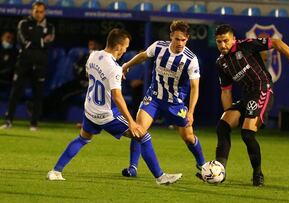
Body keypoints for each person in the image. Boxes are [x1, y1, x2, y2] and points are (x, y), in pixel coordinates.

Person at [46, 28, 182, 185]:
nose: (125, 50)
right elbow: (117, 97)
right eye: (125, 47)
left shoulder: (93, 56)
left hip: (90, 110)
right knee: (143, 136)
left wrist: (109, 79)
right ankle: (160, 177)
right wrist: (131, 122)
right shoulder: (114, 68)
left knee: (83, 138)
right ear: (118, 46)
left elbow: (89, 76)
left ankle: (55, 171)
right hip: (107, 114)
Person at [213, 24, 289, 186]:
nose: (223, 45)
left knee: (247, 134)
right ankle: (218, 172)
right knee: (222, 126)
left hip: (262, 90)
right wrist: (230, 113)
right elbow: (225, 92)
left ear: (233, 39)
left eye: (226, 41)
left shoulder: (246, 45)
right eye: (219, 42)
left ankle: (258, 174)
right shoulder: (221, 63)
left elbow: (277, 43)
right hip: (246, 97)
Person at [121, 20, 205, 177]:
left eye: (183, 40)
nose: (180, 43)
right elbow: (143, 56)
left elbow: (195, 87)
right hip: (153, 98)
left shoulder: (190, 59)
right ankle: (133, 168)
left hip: (175, 104)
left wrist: (191, 111)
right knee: (139, 130)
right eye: (177, 38)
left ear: (187, 39)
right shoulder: (159, 46)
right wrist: (127, 65)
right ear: (171, 35)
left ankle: (202, 165)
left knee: (188, 137)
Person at [0, 1, 55, 131]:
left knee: (38, 94)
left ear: (44, 12)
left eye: (41, 11)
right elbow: (25, 43)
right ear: (32, 11)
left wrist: (36, 41)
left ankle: (34, 123)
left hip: (40, 64)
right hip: (24, 63)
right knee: (15, 92)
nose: (39, 14)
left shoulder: (50, 26)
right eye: (36, 11)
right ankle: (8, 121)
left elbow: (48, 43)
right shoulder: (23, 24)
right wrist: (41, 40)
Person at [42, 39, 101, 120]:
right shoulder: (86, 56)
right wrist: (79, 73)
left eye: (93, 44)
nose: (91, 46)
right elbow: (77, 68)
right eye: (90, 44)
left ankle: (45, 114)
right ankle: (41, 111)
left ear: (98, 45)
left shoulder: (101, 58)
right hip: (79, 82)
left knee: (65, 95)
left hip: (90, 85)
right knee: (58, 91)